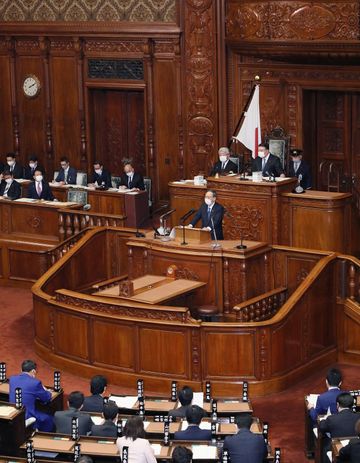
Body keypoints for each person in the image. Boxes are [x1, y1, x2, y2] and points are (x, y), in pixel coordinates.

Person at [9, 359, 53, 432]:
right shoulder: (35, 383)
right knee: (49, 419)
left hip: (13, 414)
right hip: (27, 415)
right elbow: (47, 398)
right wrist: (46, 390)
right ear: (33, 371)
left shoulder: (12, 379)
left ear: (21, 370)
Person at [319, 393, 360, 462]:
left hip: (339, 450)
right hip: (356, 448)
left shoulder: (331, 418)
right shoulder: (358, 417)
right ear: (353, 404)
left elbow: (322, 427)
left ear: (337, 405)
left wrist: (324, 419)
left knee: (326, 447)